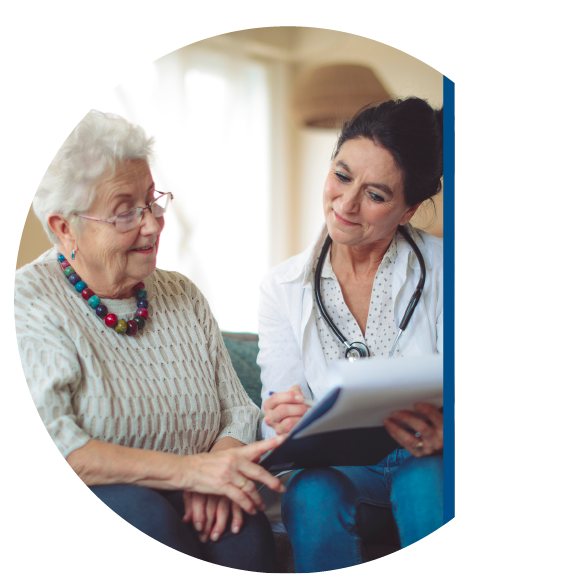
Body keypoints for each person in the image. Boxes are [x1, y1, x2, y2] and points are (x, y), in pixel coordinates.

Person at [14, 110, 285, 573]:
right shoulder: (26, 302)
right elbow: (56, 447)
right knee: (144, 515)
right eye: (125, 212)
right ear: (64, 228)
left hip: (194, 494)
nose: (153, 224)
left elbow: (239, 411)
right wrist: (188, 472)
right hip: (96, 504)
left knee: (241, 522)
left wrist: (216, 472)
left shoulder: (180, 294)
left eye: (152, 200)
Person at [257, 98, 445, 572]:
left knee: (424, 482)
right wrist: (282, 419)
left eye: (376, 195)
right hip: (347, 473)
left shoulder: (450, 271)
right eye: (342, 176)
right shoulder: (281, 288)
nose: (345, 204)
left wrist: (453, 433)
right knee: (311, 490)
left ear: (409, 210)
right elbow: (277, 414)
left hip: (432, 462)